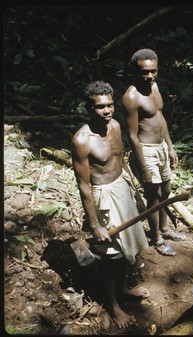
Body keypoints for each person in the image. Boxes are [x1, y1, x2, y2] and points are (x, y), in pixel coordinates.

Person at [71, 80, 150, 329]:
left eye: (109, 105)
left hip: (122, 188)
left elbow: (120, 160)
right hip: (103, 196)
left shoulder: (115, 125)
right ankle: (113, 306)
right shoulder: (82, 141)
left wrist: (133, 190)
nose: (106, 111)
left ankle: (124, 287)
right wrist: (95, 225)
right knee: (111, 254)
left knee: (128, 245)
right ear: (88, 108)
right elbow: (84, 186)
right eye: (99, 107)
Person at [122, 48, 186, 257]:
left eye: (153, 71)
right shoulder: (131, 97)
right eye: (144, 72)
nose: (149, 76)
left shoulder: (155, 87)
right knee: (154, 197)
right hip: (145, 150)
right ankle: (157, 238)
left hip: (160, 148)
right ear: (134, 72)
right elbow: (132, 136)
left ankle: (166, 228)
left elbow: (160, 119)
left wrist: (170, 146)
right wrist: (142, 165)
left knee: (166, 191)